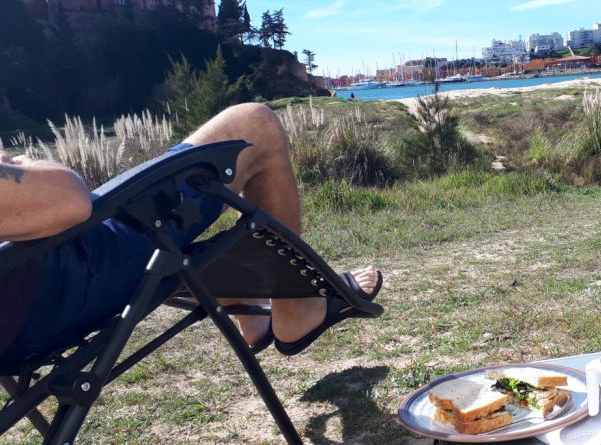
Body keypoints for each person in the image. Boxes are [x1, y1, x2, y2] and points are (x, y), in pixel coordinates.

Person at [0, 103, 382, 362]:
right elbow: (67, 199)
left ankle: (243, 303)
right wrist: (21, 163)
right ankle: (294, 308)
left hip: (17, 332)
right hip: (63, 280)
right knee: (255, 124)